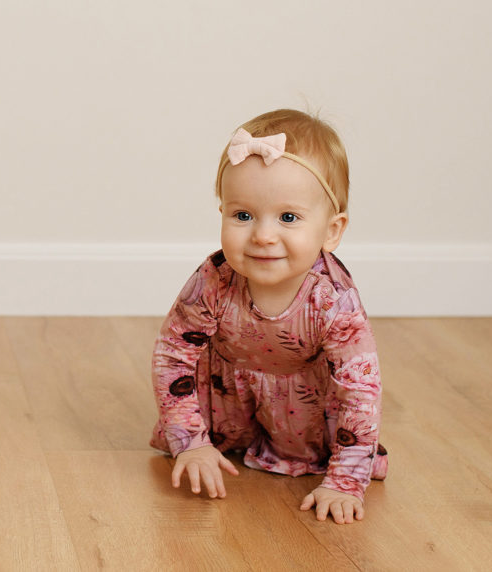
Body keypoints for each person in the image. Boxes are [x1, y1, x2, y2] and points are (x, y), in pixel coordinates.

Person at [150, 109, 387, 524]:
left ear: (332, 231)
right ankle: (219, 439)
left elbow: (359, 391)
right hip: (226, 394)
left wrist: (344, 482)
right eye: (242, 216)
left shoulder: (333, 301)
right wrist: (190, 442)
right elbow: (174, 356)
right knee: (190, 435)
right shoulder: (214, 280)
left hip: (303, 408)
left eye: (288, 218)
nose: (262, 235)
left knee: (332, 437)